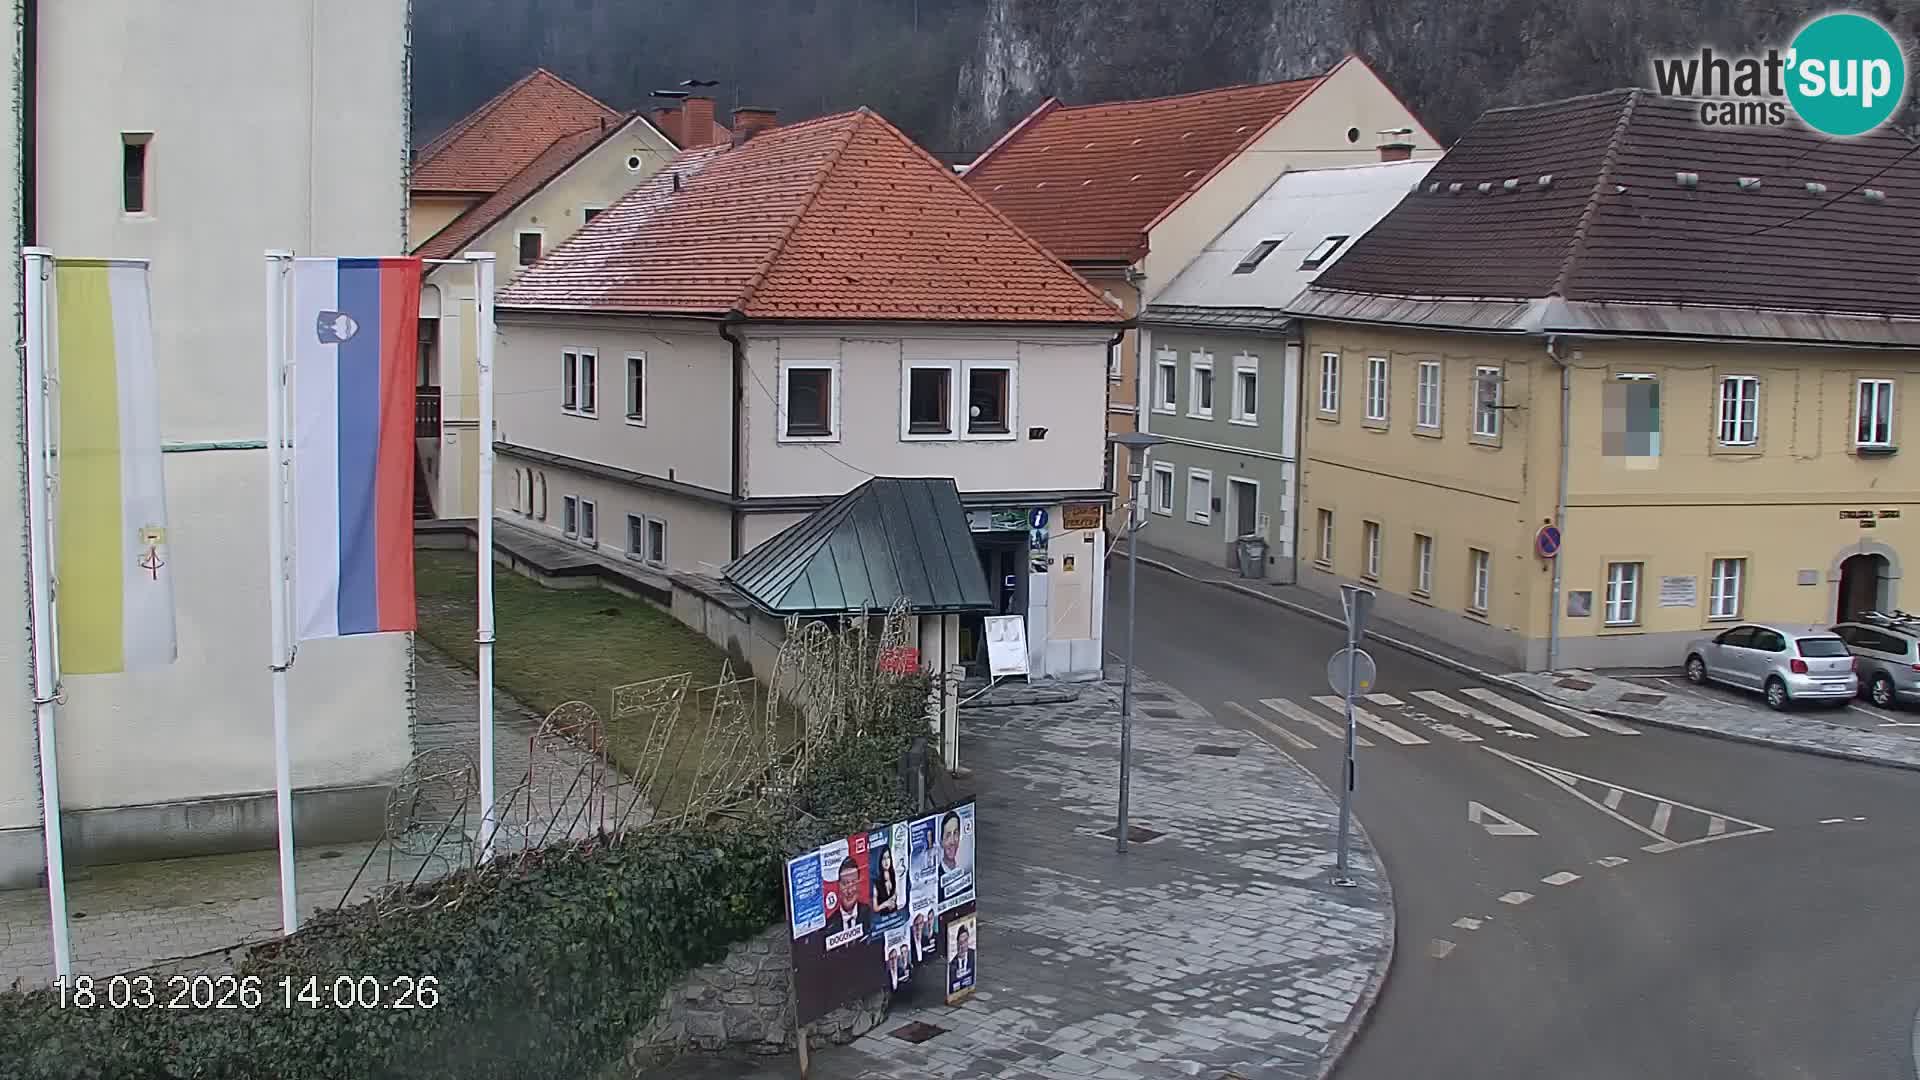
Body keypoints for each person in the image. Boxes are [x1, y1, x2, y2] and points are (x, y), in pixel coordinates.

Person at [825, 856, 872, 942]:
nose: (850, 891)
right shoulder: (829, 925)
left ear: (859, 884)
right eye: (845, 884)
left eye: (853, 883)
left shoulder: (869, 914)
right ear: (839, 886)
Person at [872, 845, 900, 914]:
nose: (886, 861)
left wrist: (893, 901)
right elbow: (875, 908)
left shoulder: (894, 877)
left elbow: (896, 896)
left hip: (895, 914)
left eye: (888, 857)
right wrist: (886, 903)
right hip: (883, 917)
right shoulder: (877, 883)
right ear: (880, 861)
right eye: (884, 858)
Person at [947, 924, 975, 991]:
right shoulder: (952, 965)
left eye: (965, 940)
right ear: (957, 943)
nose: (962, 945)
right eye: (960, 942)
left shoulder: (973, 955)